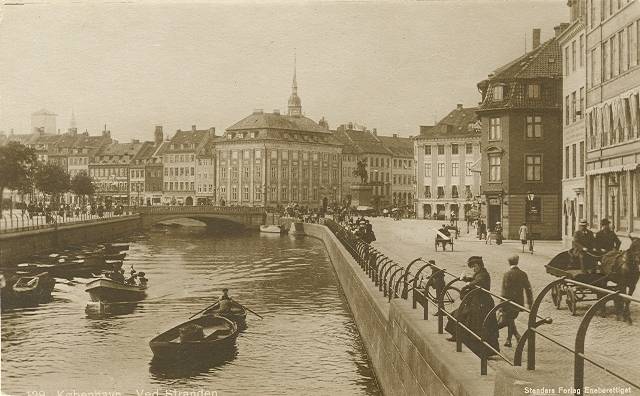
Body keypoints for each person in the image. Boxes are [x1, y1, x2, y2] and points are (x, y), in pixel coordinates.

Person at [445, 256, 499, 357]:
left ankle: (484, 351)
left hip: (482, 304)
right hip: (476, 302)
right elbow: (474, 280)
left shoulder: (483, 275)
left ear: (478, 265)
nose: (473, 269)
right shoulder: (480, 273)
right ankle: (457, 335)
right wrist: (466, 279)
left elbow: (476, 282)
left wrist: (468, 284)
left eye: (474, 266)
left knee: (477, 325)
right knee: (460, 316)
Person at [499, 255, 533, 347]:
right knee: (510, 320)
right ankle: (514, 338)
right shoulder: (523, 274)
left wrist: (500, 305)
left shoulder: (507, 274)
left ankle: (511, 339)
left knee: (508, 320)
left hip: (508, 302)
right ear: (517, 263)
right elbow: (528, 289)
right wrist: (530, 302)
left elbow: (504, 291)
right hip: (518, 303)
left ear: (509, 263)